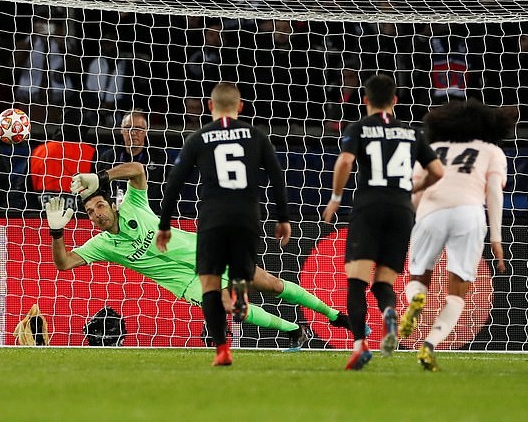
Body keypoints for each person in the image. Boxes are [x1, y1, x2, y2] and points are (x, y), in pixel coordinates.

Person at [49, 162, 353, 350]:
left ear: (112, 206)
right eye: (89, 212)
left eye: (100, 206)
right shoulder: (101, 245)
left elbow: (138, 171)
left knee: (271, 284)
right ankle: (295, 331)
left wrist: (100, 177)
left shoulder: (133, 206)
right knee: (231, 307)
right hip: (186, 282)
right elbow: (63, 264)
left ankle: (336, 317)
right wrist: (56, 233)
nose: (96, 214)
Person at [155, 82, 293, 366]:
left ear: (210, 106)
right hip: (247, 215)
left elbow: (175, 182)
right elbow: (278, 176)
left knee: (209, 284)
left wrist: (165, 224)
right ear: (240, 106)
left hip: (213, 217)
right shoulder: (256, 135)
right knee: (243, 266)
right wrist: (282, 218)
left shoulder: (199, 137)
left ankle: (222, 349)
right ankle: (240, 288)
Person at [322, 74, 445, 370]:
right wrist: (413, 189)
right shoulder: (411, 133)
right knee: (383, 283)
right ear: (395, 102)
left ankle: (359, 346)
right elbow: (438, 171)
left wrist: (337, 197)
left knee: (356, 281)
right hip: (402, 210)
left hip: (369, 207)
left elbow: (344, 162)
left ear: (365, 100)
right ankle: (390, 312)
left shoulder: (360, 128)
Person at [399, 100, 515, 371]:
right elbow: (494, 194)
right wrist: (496, 239)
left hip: (431, 212)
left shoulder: (434, 148)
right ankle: (428, 346)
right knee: (458, 291)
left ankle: (416, 299)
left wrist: (410, 223)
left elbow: (415, 189)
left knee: (418, 277)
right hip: (469, 214)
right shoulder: (491, 151)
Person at [95, 110, 168, 213]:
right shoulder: (108, 157)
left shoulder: (161, 159)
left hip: (150, 216)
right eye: (128, 128)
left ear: (146, 130)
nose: (133, 133)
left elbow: (170, 193)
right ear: (121, 129)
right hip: (115, 216)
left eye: (138, 129)